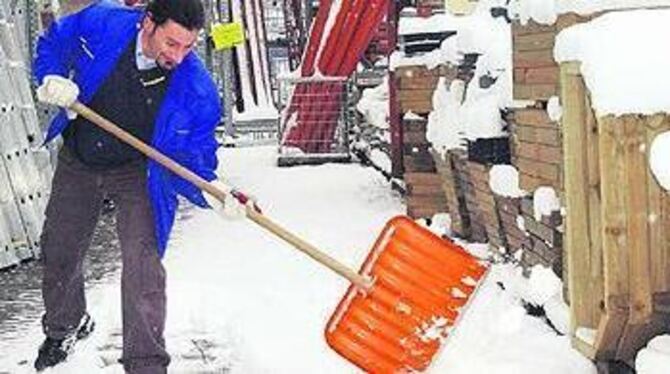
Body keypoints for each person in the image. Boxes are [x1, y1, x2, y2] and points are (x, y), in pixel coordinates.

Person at [32, 0, 233, 372]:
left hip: (138, 172)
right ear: (147, 23)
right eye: (172, 43)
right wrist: (52, 76)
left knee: (143, 266)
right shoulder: (102, 21)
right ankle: (65, 327)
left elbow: (193, 159)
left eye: (188, 46)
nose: (179, 55)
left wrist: (213, 189)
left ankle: (146, 362)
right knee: (60, 248)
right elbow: (53, 44)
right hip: (81, 155)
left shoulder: (198, 90)